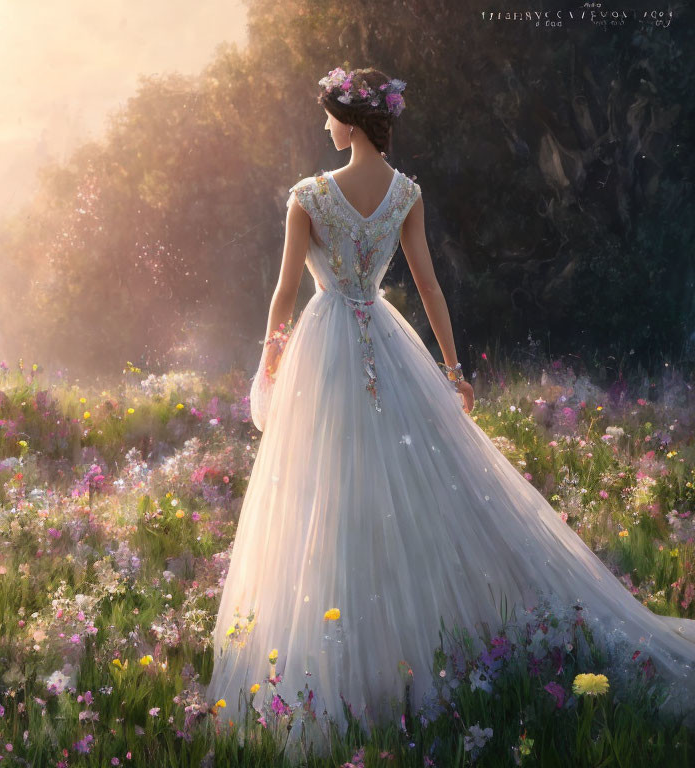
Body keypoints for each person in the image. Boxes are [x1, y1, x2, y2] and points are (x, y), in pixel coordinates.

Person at [206, 66, 695, 763]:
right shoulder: (405, 192)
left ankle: (347, 673)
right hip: (386, 337)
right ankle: (412, 656)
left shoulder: (310, 196)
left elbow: (285, 292)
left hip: (325, 349)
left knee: (328, 493)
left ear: (348, 119)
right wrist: (454, 370)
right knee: (414, 493)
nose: (323, 127)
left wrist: (269, 361)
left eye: (328, 116)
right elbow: (429, 285)